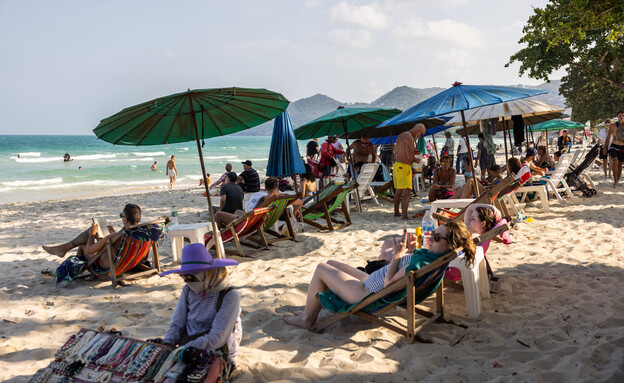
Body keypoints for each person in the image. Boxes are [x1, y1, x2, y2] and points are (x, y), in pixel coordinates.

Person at [281, 221, 476, 329]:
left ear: (449, 245)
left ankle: (307, 318)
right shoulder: (434, 259)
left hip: (365, 291)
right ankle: (311, 309)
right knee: (331, 264)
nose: (430, 237)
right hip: (370, 281)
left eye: (436, 236)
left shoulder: (422, 264)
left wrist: (399, 255)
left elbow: (390, 281)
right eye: (433, 232)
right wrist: (406, 252)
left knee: (321, 268)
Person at [157, 243, 242, 375]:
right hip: (188, 348)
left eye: (191, 277)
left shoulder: (230, 296)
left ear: (207, 273)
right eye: (184, 277)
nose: (187, 281)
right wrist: (166, 344)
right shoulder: (188, 290)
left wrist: (184, 349)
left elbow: (217, 337)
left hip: (217, 352)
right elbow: (177, 324)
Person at [43, 203, 142, 271]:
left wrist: (92, 234)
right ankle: (64, 248)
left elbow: (90, 250)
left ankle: (69, 259)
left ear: (125, 220)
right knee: (97, 235)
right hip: (129, 262)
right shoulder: (143, 233)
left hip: (109, 265)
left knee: (83, 245)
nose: (121, 218)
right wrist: (114, 235)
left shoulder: (116, 236)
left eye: (122, 216)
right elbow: (122, 246)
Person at [393, 124, 426, 219]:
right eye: (421, 134)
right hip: (404, 167)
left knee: (398, 191)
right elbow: (409, 156)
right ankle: (404, 215)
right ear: (418, 131)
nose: (420, 137)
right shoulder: (410, 137)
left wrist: (413, 152)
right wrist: (417, 160)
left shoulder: (403, 135)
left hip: (397, 166)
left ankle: (396, 212)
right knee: (407, 192)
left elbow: (401, 151)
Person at [603, 111, 624, 187]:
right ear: (617, 117)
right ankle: (615, 181)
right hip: (614, 146)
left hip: (622, 147)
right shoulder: (613, 126)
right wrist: (605, 147)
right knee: (614, 161)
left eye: (623, 116)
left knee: (620, 164)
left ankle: (617, 180)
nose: (621, 117)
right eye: (620, 115)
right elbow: (608, 137)